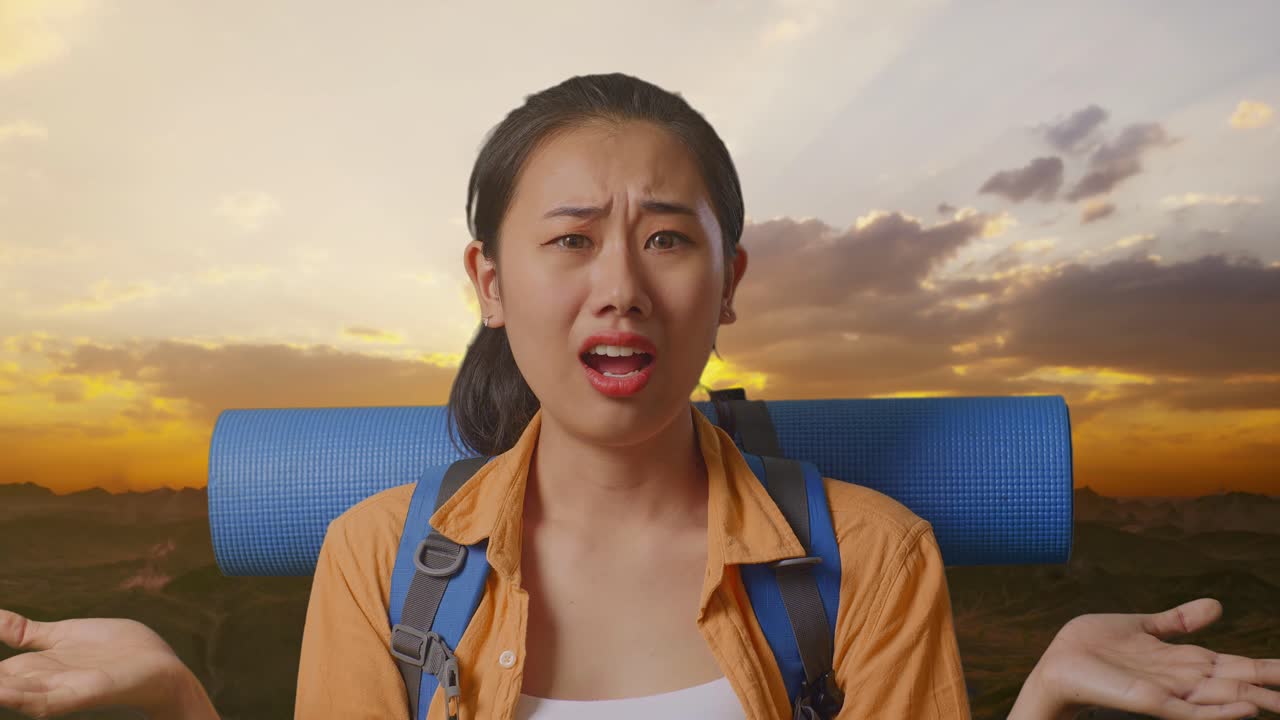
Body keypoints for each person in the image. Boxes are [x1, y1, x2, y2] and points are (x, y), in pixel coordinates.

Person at [1, 73, 1276, 720]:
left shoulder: (875, 563)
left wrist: (1039, 699)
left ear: (728, 284)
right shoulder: (380, 562)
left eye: (667, 239)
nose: (619, 284)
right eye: (569, 241)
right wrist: (178, 703)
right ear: (489, 284)